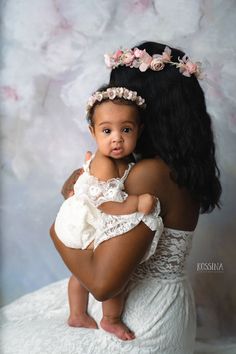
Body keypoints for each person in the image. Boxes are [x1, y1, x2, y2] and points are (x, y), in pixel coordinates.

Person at [50, 41, 221, 353]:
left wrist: (57, 232)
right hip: (175, 305)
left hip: (143, 320)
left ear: (145, 113)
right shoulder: (182, 167)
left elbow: (102, 285)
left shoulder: (146, 175)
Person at [53, 84, 162, 340]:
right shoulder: (104, 163)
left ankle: (77, 314)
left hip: (85, 216)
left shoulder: (126, 160)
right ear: (93, 132)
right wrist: (135, 203)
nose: (117, 138)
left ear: (139, 130)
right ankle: (110, 319)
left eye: (126, 130)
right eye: (107, 130)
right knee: (112, 274)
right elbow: (106, 205)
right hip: (85, 220)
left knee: (80, 275)